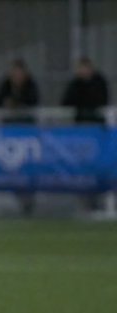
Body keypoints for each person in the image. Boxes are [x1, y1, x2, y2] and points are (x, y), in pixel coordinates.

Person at [0, 59, 39, 216]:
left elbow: (34, 101)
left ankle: (28, 200)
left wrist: (17, 103)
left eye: (19, 72)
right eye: (14, 73)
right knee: (11, 170)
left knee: (27, 169)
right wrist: (5, 102)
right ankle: (21, 201)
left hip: (26, 136)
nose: (17, 76)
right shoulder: (5, 86)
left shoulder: (31, 86)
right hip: (9, 136)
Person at [61, 57, 110, 213]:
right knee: (82, 168)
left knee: (99, 168)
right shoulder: (75, 84)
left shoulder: (99, 81)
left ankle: (101, 202)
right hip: (80, 133)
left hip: (96, 133)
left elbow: (102, 101)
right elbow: (66, 102)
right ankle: (85, 203)